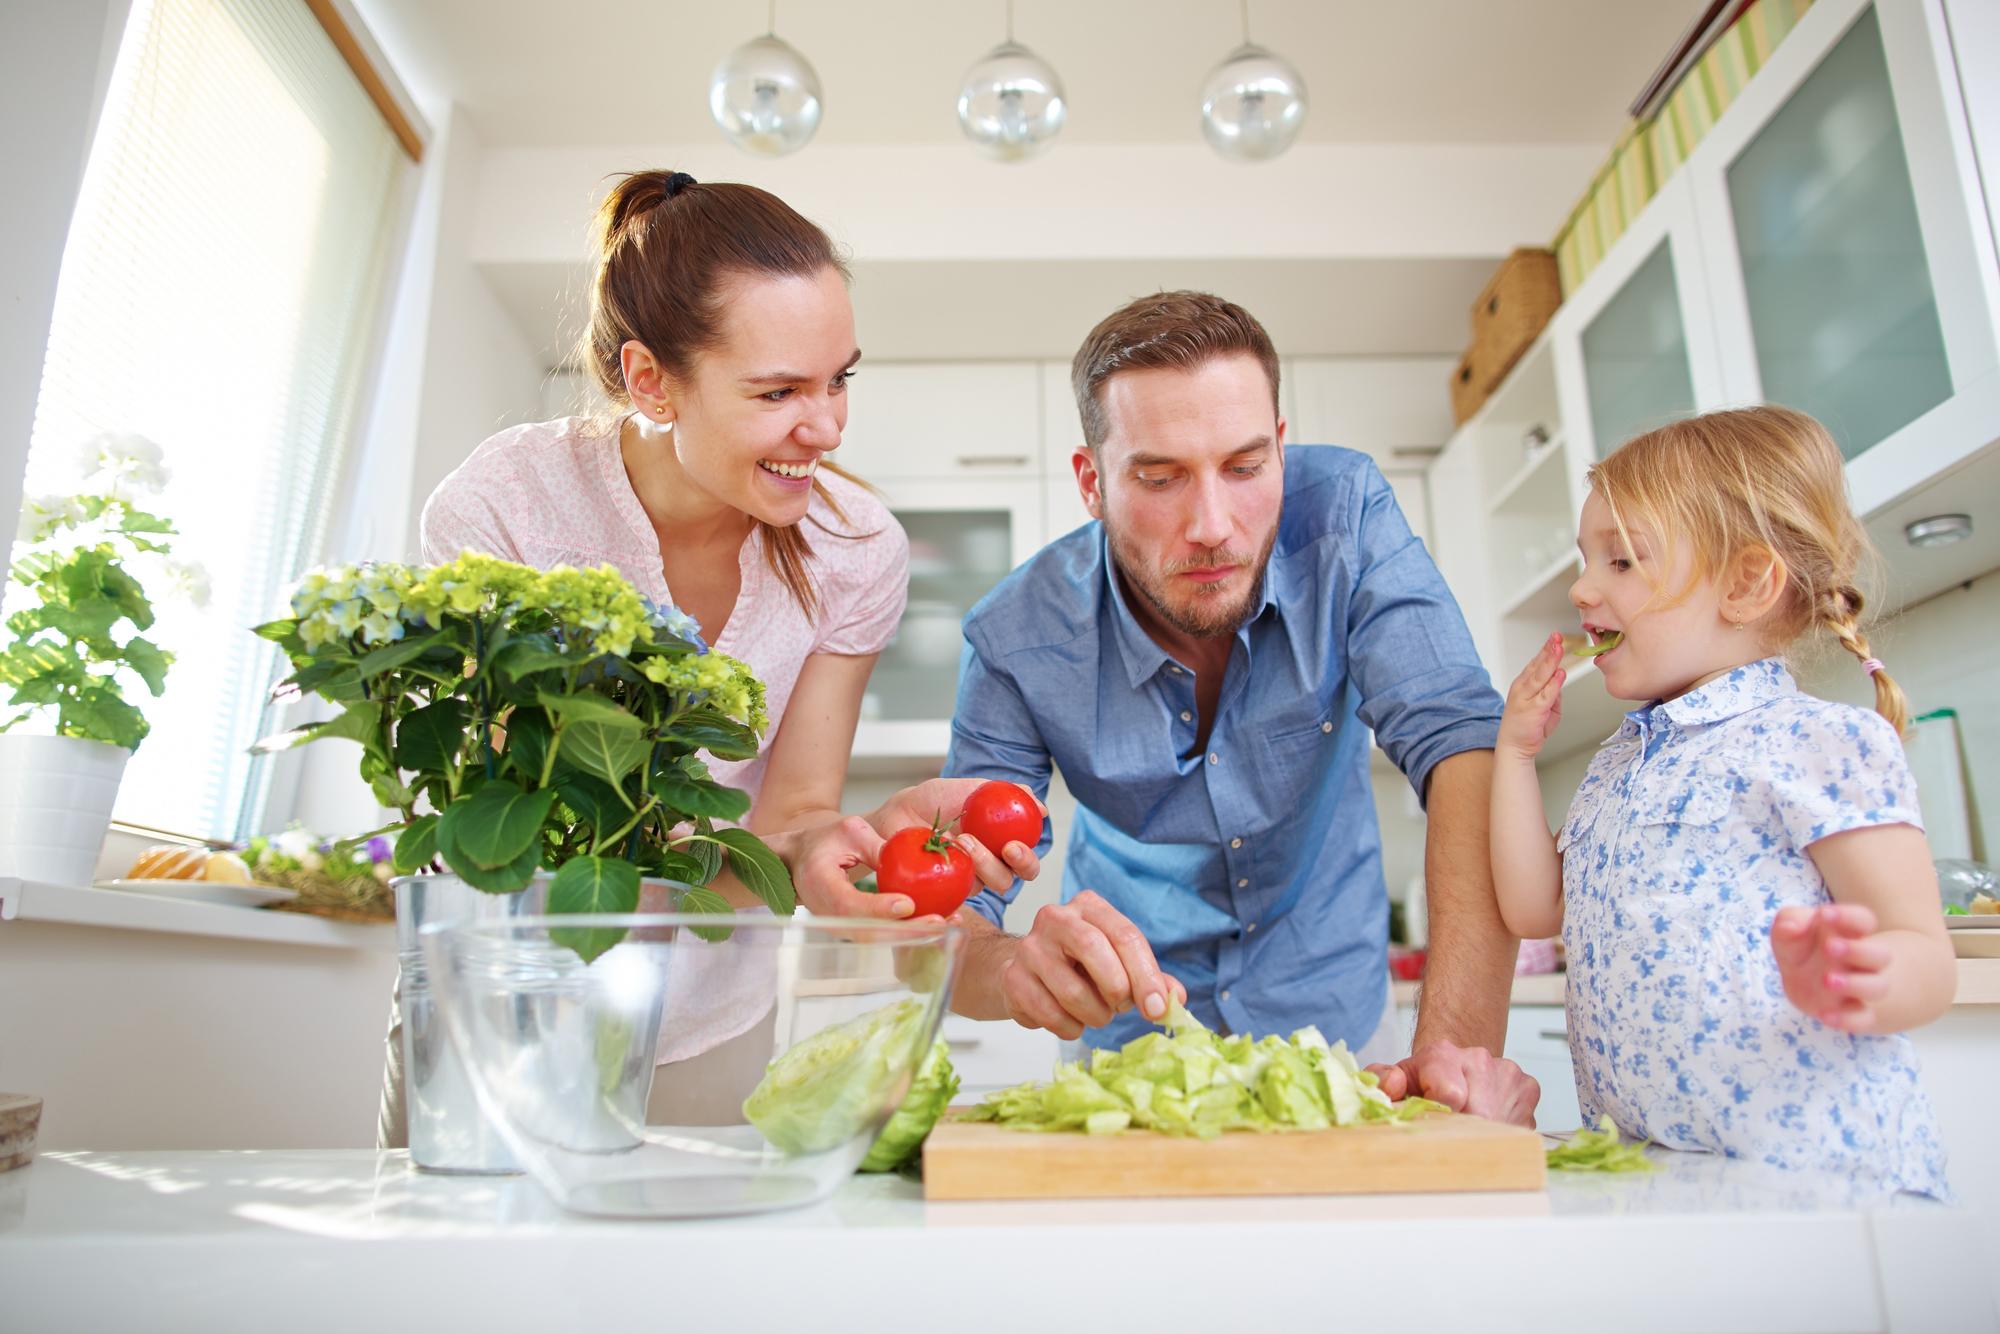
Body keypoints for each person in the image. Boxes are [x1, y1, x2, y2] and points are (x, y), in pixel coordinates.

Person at [386, 170, 1039, 1147]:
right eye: (777, 391)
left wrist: (837, 845)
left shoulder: (854, 546)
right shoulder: (504, 505)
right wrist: (787, 849)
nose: (823, 427)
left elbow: (791, 814)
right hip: (505, 993)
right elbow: (520, 838)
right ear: (650, 379)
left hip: (710, 1010)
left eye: (838, 378)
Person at [939, 291, 1538, 1123]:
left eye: (1246, 468)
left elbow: (1461, 745)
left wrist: (1454, 1054)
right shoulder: (1015, 639)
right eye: (1159, 477)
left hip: (1337, 1010)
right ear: (1092, 482)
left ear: (1282, 452)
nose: (1214, 526)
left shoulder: (1349, 516)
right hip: (1131, 1041)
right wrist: (1007, 966)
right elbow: (952, 913)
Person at [1490, 405, 1952, 1195]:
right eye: (1587, 558)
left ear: (1746, 583)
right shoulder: (1619, 762)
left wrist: (1861, 978)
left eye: (1623, 562)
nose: (1581, 586)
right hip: (1661, 1174)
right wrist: (1514, 753)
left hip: (1826, 1185)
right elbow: (1536, 912)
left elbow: (1926, 956)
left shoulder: (1816, 742)